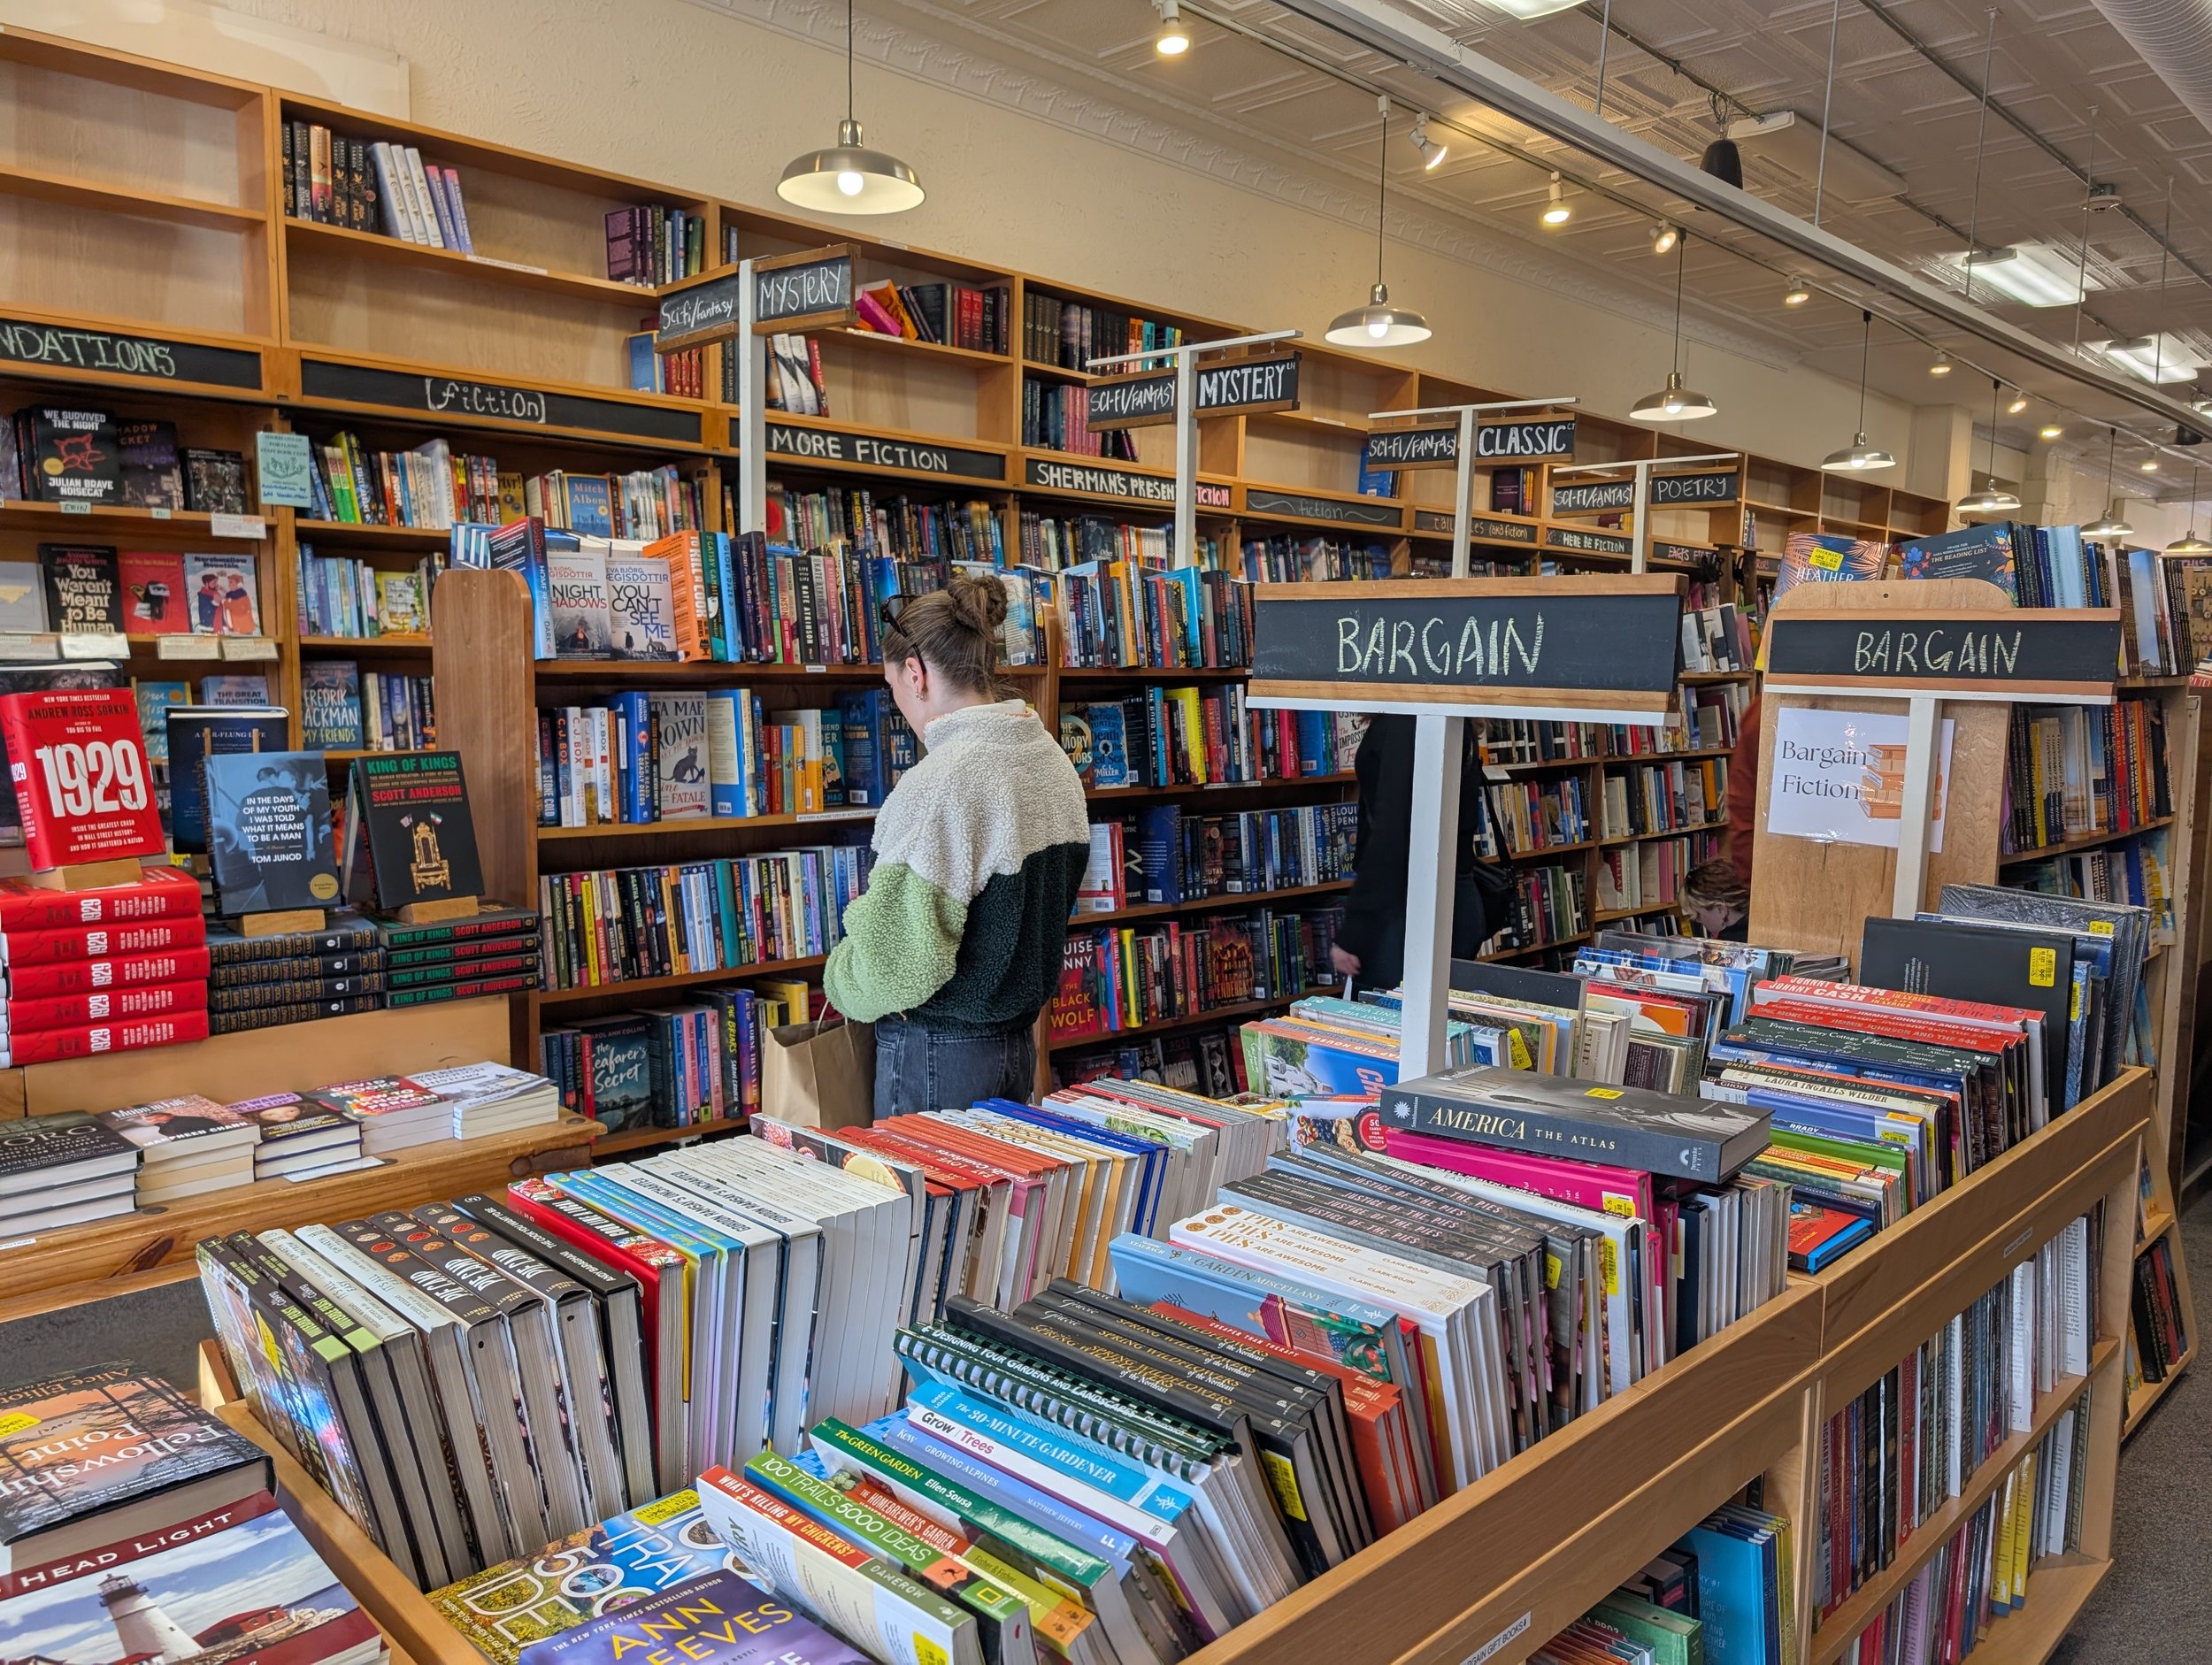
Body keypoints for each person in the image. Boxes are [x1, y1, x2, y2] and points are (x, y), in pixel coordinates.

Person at [824, 572, 1089, 1114]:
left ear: (916, 675)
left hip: (936, 1056)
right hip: (1017, 1046)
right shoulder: (1050, 759)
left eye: (893, 688)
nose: (899, 705)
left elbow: (900, 965)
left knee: (923, 1199)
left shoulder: (941, 783)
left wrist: (839, 980)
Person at [1328, 715, 1509, 992]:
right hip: (1455, 902)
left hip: (1407, 915)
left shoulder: (1405, 722)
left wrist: (1355, 930)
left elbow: (1392, 833)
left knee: (1386, 1026)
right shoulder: (1454, 719)